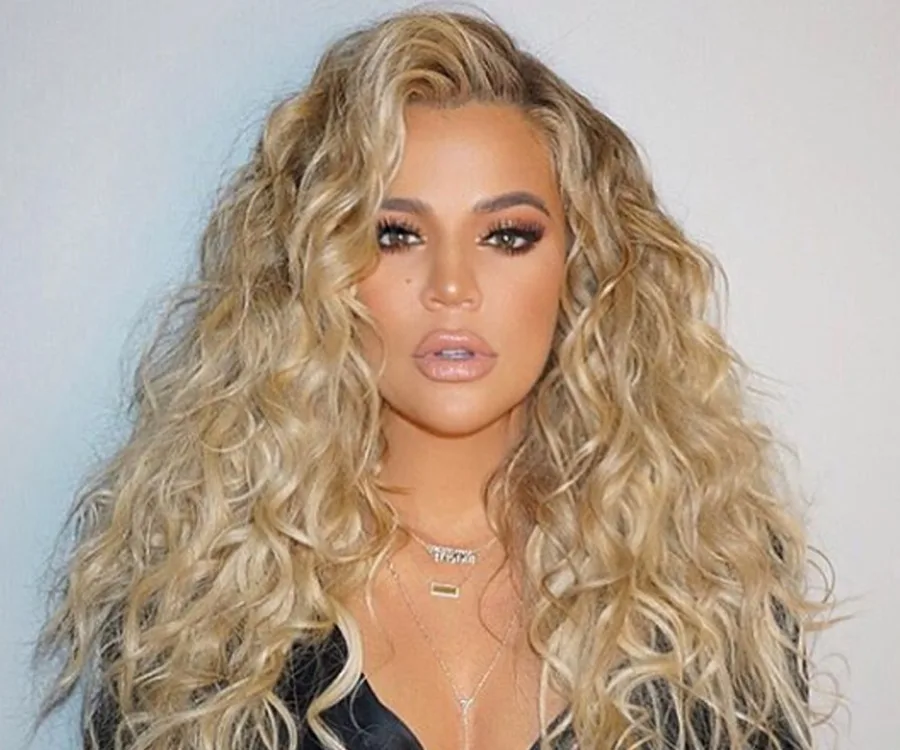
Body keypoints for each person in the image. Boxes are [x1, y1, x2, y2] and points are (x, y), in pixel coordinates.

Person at [32, 7, 834, 750]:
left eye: (508, 236)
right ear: (318, 268)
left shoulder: (708, 587)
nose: (452, 286)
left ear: (582, 266)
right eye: (395, 233)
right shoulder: (197, 600)